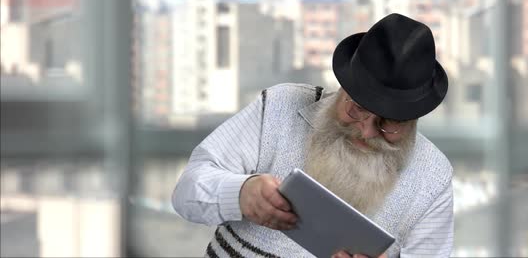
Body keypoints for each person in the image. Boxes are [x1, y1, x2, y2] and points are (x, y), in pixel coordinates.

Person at [172, 13, 454, 258]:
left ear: (414, 120)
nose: (367, 131)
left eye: (389, 123)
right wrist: (241, 193)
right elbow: (186, 191)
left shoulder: (433, 178)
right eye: (356, 108)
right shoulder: (280, 105)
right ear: (342, 89)